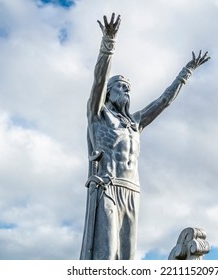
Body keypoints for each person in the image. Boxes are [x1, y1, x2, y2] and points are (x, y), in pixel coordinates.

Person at [80, 13, 210, 260]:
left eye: (129, 86)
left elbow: (164, 101)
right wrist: (109, 43)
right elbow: (98, 80)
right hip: (108, 187)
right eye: (121, 85)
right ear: (108, 93)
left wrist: (187, 72)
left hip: (132, 190)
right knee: (105, 254)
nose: (127, 88)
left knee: (127, 257)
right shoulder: (98, 114)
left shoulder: (135, 122)